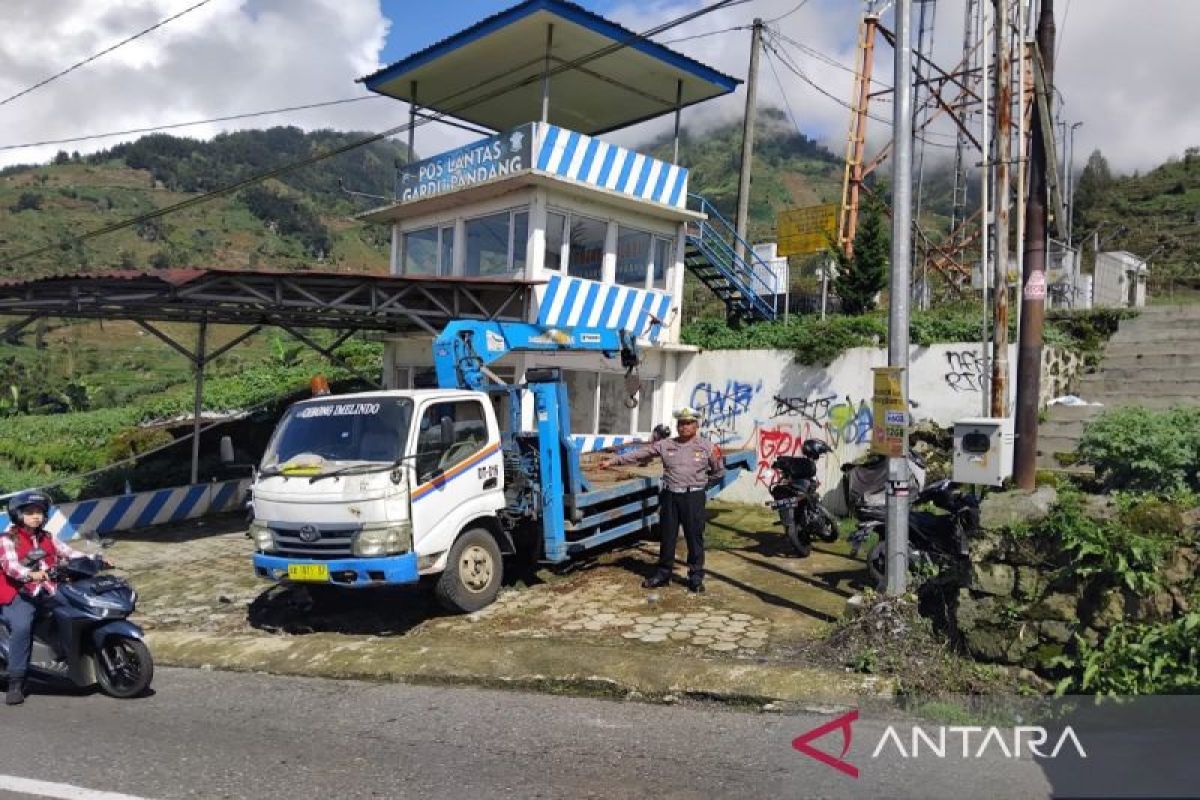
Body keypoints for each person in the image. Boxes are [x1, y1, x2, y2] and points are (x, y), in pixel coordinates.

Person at [0, 489, 107, 705]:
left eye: (39, 512)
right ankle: (16, 681)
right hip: (21, 593)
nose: (36, 516)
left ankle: (71, 658)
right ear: (18, 515)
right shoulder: (7, 539)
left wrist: (97, 559)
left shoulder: (47, 537)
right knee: (22, 626)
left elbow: (69, 552)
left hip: (48, 589)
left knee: (77, 609)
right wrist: (30, 574)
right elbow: (10, 566)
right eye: (30, 512)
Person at [600, 407, 724, 593]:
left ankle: (695, 576)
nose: (684, 427)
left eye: (688, 423)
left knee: (694, 537)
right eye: (681, 423)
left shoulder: (707, 447)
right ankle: (664, 573)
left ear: (696, 425)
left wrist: (700, 487)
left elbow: (719, 472)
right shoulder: (666, 444)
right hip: (670, 496)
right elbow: (640, 454)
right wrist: (613, 461)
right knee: (667, 536)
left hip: (693, 497)